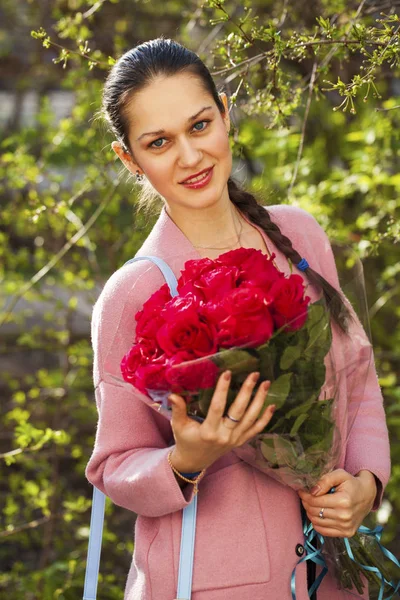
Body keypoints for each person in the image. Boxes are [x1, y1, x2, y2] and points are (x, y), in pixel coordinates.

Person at [85, 36, 391, 600]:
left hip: (334, 577)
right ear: (129, 158)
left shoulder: (298, 237)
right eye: (159, 142)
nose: (190, 156)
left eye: (200, 126)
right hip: (211, 585)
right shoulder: (134, 292)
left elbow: (356, 375)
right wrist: (186, 459)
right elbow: (115, 465)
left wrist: (365, 484)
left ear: (226, 113)